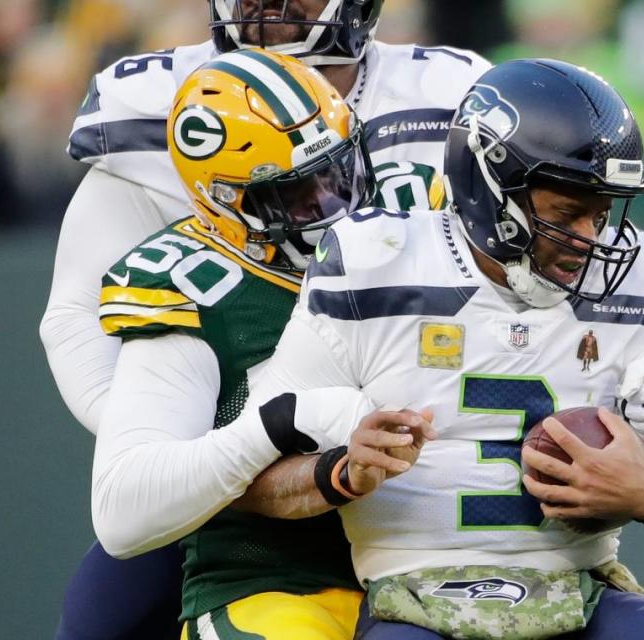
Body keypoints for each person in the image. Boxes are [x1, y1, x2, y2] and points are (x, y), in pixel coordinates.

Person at [227, 59, 644, 639]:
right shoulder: (373, 266)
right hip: (414, 597)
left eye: (602, 213)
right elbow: (245, 475)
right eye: (568, 214)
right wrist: (342, 471)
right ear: (489, 189)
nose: (592, 241)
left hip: (581, 591)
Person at [41, 3, 489, 637]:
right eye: (293, 192)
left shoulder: (452, 95)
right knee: (100, 619)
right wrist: (197, 443)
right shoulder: (159, 105)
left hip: (418, 474)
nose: (269, 7)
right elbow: (73, 315)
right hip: (250, 489)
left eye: (339, 177)